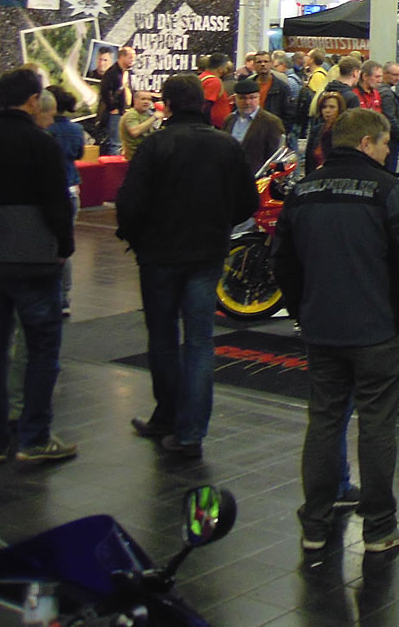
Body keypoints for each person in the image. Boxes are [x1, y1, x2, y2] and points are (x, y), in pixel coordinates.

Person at [271, 107, 399, 555]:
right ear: (366, 143)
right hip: (378, 330)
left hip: (322, 327)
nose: (388, 152)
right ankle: (380, 528)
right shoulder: (388, 190)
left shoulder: (303, 190)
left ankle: (315, 524)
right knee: (377, 425)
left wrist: (302, 311)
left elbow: (282, 259)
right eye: (384, 144)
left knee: (324, 421)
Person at [115, 73, 258, 460]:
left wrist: (137, 238)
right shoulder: (226, 145)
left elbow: (129, 203)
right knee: (199, 341)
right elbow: (248, 202)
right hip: (206, 252)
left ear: (168, 104)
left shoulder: (156, 145)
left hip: (159, 255)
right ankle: (190, 432)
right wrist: (219, 224)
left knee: (162, 338)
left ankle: (167, 416)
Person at [0, 68, 77, 464]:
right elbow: (56, 202)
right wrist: (63, 246)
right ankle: (35, 438)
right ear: (32, 101)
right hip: (35, 257)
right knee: (42, 349)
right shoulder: (41, 142)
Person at [40, 88, 85, 315]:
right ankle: (64, 298)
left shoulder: (43, 131)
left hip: (48, 190)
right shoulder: (76, 129)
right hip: (71, 187)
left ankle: (49, 294)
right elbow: (78, 155)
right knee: (64, 246)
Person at [224, 77, 285, 173]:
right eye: (242, 98)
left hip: (256, 176)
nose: (247, 102)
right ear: (235, 98)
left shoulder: (271, 122)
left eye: (252, 98)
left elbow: (274, 155)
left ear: (259, 97)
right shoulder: (229, 120)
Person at [98, 45, 135, 155]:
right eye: (130, 57)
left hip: (125, 111)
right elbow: (105, 91)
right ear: (122, 57)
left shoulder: (126, 72)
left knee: (122, 143)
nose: (132, 60)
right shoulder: (112, 73)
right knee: (116, 143)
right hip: (116, 113)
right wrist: (113, 108)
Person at [305, 92, 345, 173]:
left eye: (332, 107)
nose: (327, 111)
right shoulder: (316, 130)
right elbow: (308, 160)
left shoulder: (344, 131)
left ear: (339, 109)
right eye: (324, 107)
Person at [120, 88, 160, 160]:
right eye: (143, 99)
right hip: (136, 155)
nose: (146, 102)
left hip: (147, 152)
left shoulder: (147, 114)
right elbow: (135, 132)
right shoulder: (131, 114)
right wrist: (154, 117)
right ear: (135, 101)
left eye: (149, 99)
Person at [199, 54, 231, 129]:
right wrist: (207, 125)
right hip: (215, 127)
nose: (227, 70)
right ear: (220, 69)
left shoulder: (202, 77)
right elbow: (206, 105)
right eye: (226, 67)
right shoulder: (214, 81)